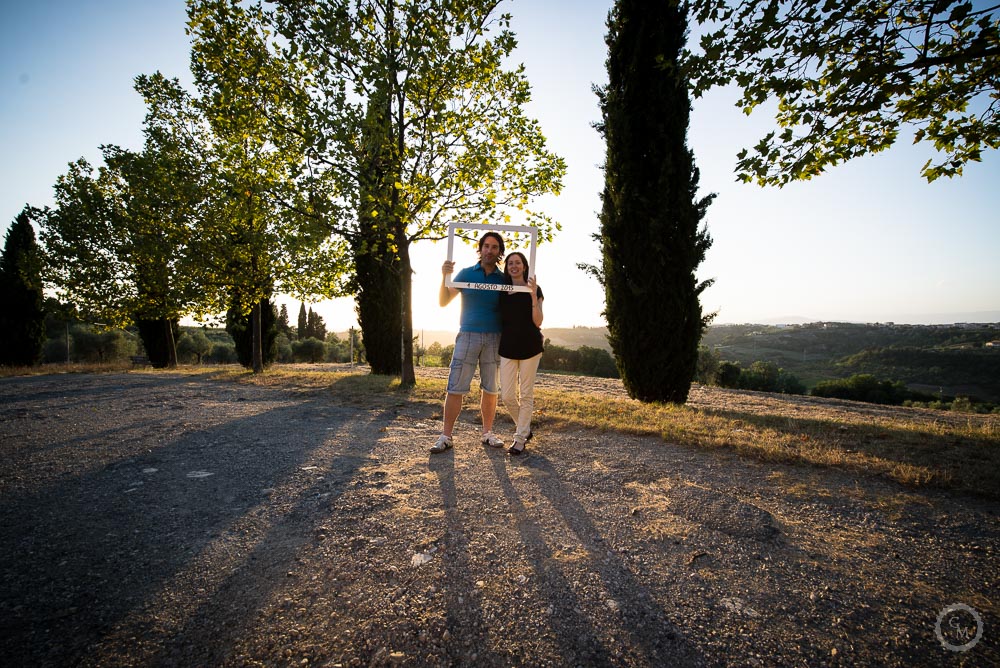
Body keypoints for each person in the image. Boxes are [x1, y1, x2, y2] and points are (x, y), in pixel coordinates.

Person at [430, 232, 507, 453]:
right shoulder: (465, 273)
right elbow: (443, 301)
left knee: (491, 388)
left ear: (499, 252)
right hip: (468, 335)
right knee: (456, 387)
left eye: (494, 247)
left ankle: (487, 433)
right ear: (480, 248)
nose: (489, 250)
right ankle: (446, 436)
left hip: (494, 337)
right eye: (486, 246)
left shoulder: (503, 280)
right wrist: (444, 276)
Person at [498, 251, 543, 455]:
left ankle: (519, 439)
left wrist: (532, 295)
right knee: (507, 395)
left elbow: (538, 321)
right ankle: (524, 429)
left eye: (517, 263)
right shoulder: (502, 289)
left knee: (526, 394)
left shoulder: (535, 289)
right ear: (507, 268)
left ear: (524, 266)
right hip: (507, 346)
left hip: (530, 347)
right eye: (510, 263)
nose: (514, 266)